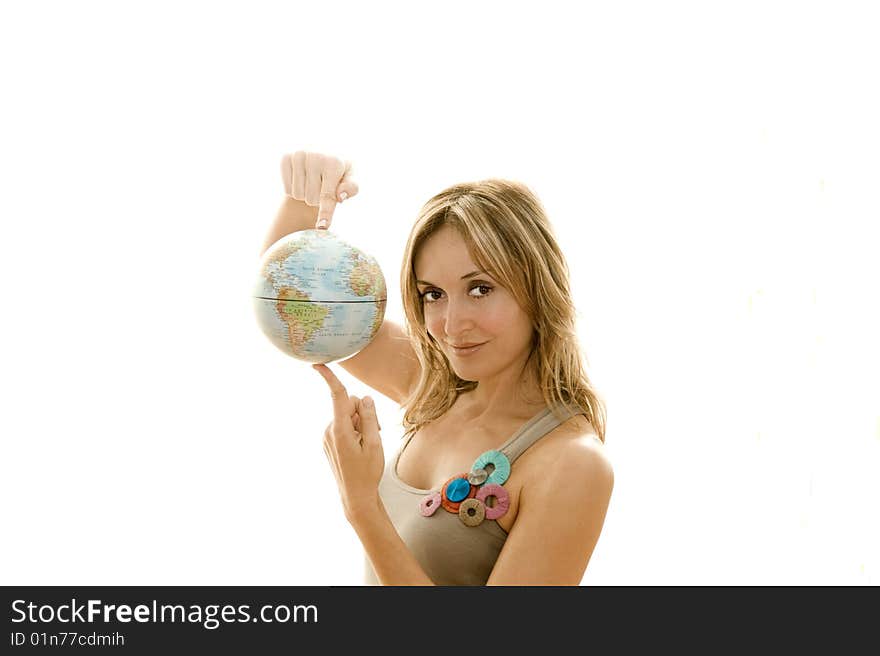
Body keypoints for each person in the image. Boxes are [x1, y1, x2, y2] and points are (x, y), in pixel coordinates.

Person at [261, 151, 613, 585]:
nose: (451, 325)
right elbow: (292, 302)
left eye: (480, 289)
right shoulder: (433, 387)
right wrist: (306, 196)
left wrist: (362, 506)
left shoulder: (571, 464)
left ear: (538, 289)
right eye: (433, 294)